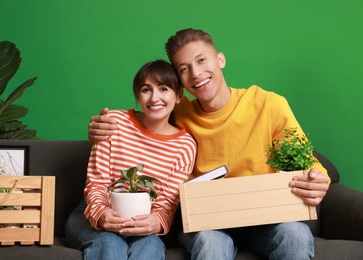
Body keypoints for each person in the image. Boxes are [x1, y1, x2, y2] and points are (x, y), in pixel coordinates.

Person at [87, 29, 330, 259]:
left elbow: (306, 161)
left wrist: (319, 178)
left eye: (202, 61)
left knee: (296, 236)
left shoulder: (268, 104)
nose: (196, 73)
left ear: (220, 59)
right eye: (184, 68)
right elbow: (143, 118)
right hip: (207, 222)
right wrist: (103, 126)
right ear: (179, 83)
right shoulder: (178, 111)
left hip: (263, 220)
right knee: (212, 243)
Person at [65, 59, 197, 260]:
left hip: (141, 222)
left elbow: (167, 205)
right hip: (92, 214)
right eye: (146, 90)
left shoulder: (185, 146)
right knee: (111, 244)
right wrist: (102, 216)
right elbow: (96, 184)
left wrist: (156, 222)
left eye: (163, 89)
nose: (155, 98)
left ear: (178, 95)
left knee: (151, 247)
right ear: (138, 95)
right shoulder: (114, 123)